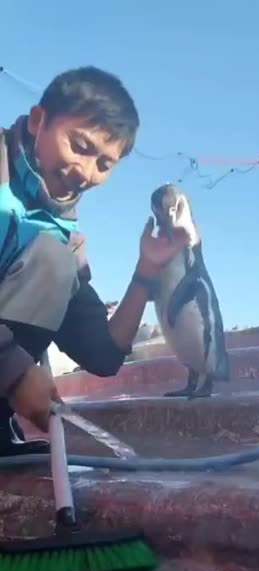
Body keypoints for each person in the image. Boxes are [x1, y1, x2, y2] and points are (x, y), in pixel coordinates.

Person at [0, 65, 187, 456]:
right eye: (79, 146)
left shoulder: (62, 241)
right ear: (37, 121)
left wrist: (146, 272)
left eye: (104, 164)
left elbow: (102, 353)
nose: (85, 173)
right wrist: (13, 371)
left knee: (54, 260)